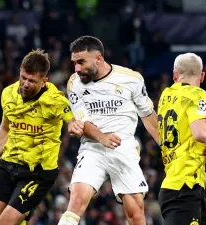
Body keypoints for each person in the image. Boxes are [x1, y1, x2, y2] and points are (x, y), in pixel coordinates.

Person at [58, 35, 159, 225]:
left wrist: (167, 148)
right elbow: (82, 121)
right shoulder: (74, 83)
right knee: (76, 202)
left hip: (124, 148)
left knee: (136, 214)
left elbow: (149, 117)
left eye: (81, 62)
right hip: (92, 148)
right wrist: (102, 137)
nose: (77, 68)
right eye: (74, 63)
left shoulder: (131, 79)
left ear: (98, 58)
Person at [0, 49, 84, 225]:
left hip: (38, 173)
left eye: (32, 81)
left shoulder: (55, 100)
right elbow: (5, 129)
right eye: (23, 77)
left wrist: (72, 124)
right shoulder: (8, 94)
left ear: (44, 82)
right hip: (8, 165)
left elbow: (70, 118)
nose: (25, 84)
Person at [157, 53, 206, 225]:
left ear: (175, 75)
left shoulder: (165, 96)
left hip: (188, 188)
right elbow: (201, 133)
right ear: (202, 76)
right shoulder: (197, 94)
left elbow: (184, 127)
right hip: (183, 189)